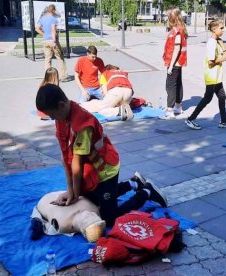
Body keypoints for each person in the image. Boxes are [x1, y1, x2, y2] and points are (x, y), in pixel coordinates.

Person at [35, 84, 168, 226]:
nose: (52, 119)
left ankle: (147, 191)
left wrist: (75, 193)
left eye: (52, 115)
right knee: (93, 199)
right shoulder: (62, 117)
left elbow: (77, 163)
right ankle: (134, 183)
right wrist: (71, 191)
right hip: (92, 170)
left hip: (105, 170)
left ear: (61, 105)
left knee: (109, 219)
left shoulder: (83, 126)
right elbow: (65, 154)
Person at [185, 20, 226, 130]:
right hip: (211, 75)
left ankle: (223, 121)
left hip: (216, 76)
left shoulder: (216, 41)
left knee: (222, 97)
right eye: (221, 28)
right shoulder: (212, 43)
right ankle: (190, 119)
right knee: (207, 98)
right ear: (214, 29)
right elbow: (211, 61)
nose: (223, 30)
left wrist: (222, 43)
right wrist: (224, 57)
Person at [162, 8, 188, 118]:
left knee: (170, 86)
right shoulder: (180, 29)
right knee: (178, 84)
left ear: (172, 19)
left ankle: (170, 109)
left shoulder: (176, 31)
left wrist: (171, 65)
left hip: (174, 63)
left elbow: (176, 49)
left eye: (168, 17)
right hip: (179, 63)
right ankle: (178, 106)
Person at [35, 4, 69, 82]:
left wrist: (44, 34)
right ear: (53, 10)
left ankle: (48, 77)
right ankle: (62, 76)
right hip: (53, 41)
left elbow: (37, 29)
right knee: (60, 57)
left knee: (48, 59)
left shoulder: (42, 18)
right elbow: (53, 30)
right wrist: (54, 41)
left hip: (45, 41)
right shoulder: (53, 19)